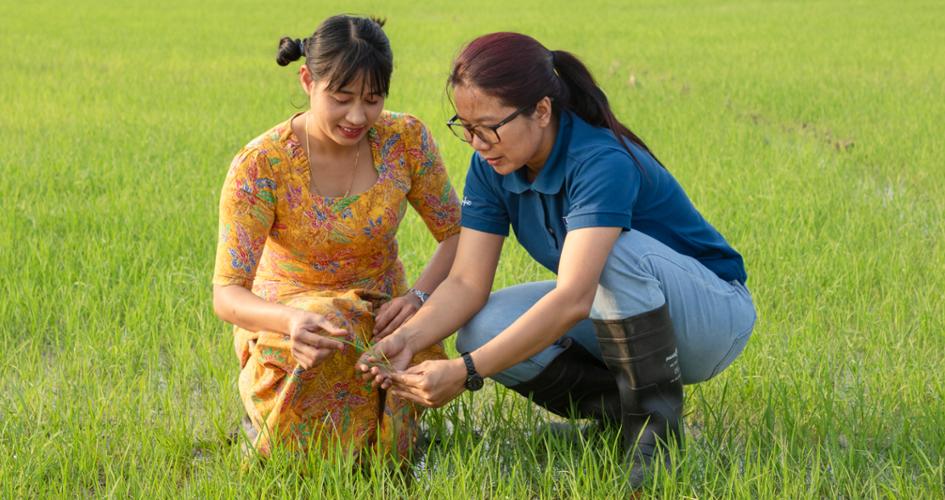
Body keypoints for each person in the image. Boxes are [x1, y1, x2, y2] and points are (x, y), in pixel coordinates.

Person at [358, 32, 757, 484]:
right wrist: (408, 339)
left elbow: (572, 297)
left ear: (542, 111)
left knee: (615, 251)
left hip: (709, 317)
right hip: (620, 309)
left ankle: (655, 451)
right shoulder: (491, 166)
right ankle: (618, 422)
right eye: (465, 127)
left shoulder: (600, 159)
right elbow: (467, 283)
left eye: (489, 127)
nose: (476, 142)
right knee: (482, 328)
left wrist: (465, 372)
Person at [212, 14, 461, 460]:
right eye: (341, 97)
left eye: (373, 98)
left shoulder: (405, 140)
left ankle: (385, 448)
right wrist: (288, 322)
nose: (358, 116)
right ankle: (271, 434)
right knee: (330, 335)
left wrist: (419, 297)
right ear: (308, 80)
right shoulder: (261, 164)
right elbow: (227, 294)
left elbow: (457, 234)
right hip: (292, 314)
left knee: (403, 352)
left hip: (383, 308)